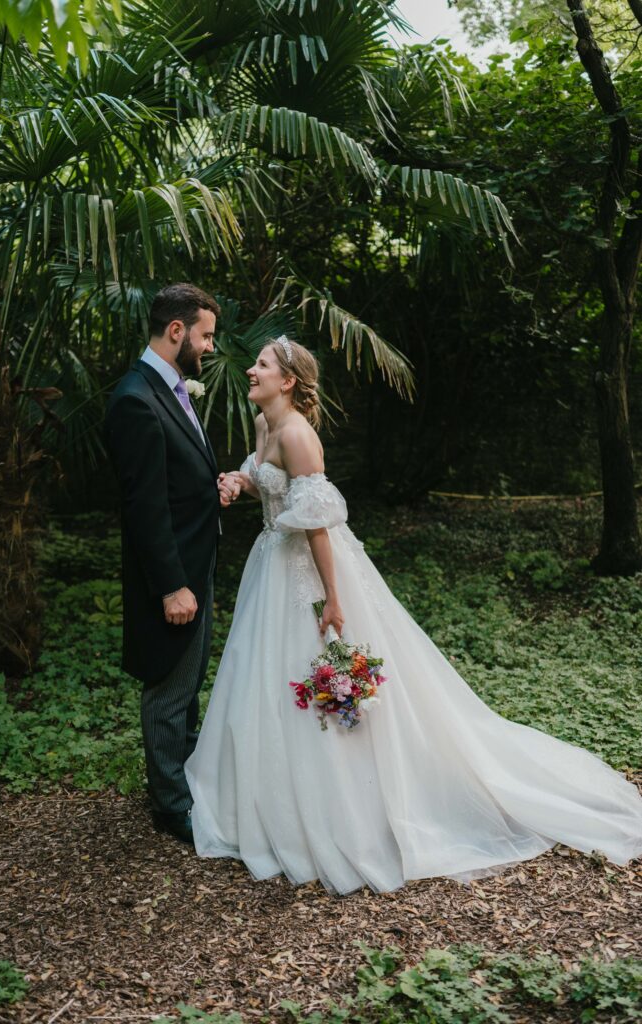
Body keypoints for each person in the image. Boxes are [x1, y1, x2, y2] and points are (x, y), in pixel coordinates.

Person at [184, 335, 642, 894]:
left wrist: (333, 598)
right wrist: (241, 479)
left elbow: (319, 521)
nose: (250, 371)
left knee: (312, 675)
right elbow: (267, 477)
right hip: (273, 564)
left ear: (288, 382)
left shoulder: (300, 435)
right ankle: (264, 800)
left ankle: (341, 809)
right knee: (266, 684)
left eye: (261, 365)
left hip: (307, 569)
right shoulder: (265, 426)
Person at [105, 283, 239, 845]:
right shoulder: (136, 399)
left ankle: (183, 780)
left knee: (187, 685)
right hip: (174, 576)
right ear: (177, 331)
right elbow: (144, 507)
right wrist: (171, 588)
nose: (209, 347)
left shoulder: (170, 389)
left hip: (195, 563)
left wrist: (211, 488)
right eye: (205, 335)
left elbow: (172, 478)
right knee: (167, 685)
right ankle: (170, 806)